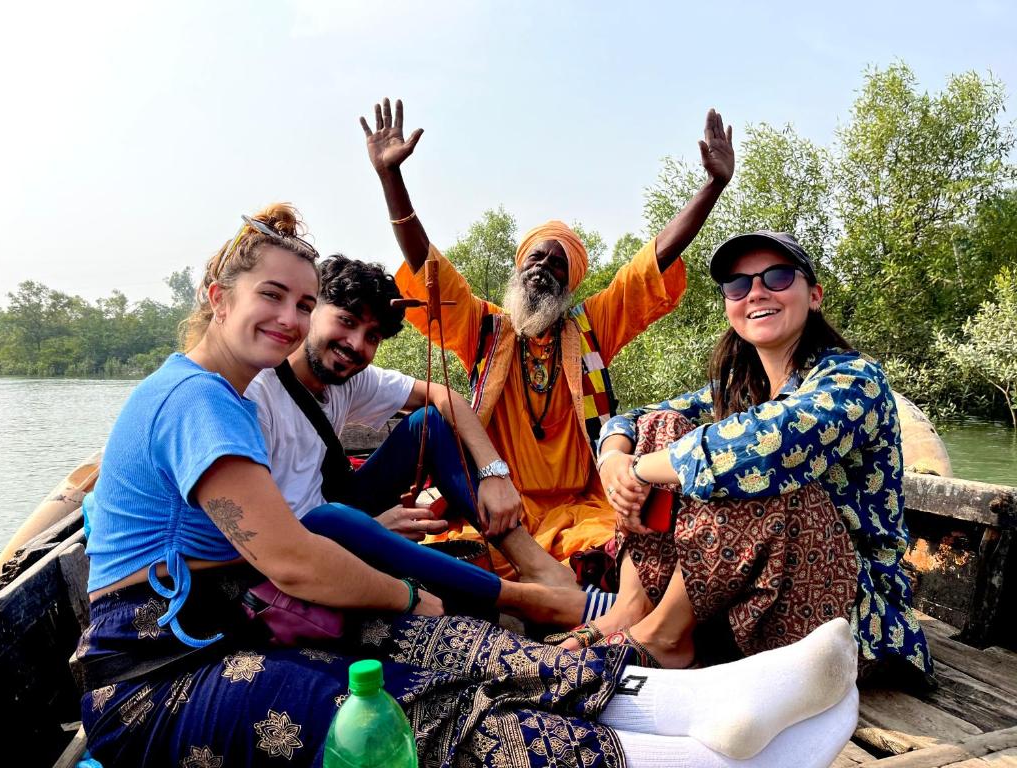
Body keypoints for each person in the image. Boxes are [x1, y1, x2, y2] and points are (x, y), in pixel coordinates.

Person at [77, 206, 861, 768]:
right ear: (218, 297)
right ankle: (710, 757)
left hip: (250, 620)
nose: (292, 320)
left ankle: (703, 704)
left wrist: (487, 484)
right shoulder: (197, 400)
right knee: (409, 706)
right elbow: (296, 559)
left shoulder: (237, 396)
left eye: (304, 303)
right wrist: (409, 594)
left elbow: (638, 279)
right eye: (274, 300)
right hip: (160, 675)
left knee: (457, 646)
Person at [361, 98, 735, 584]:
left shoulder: (592, 326)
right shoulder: (483, 328)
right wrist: (392, 178)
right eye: (536, 258)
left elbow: (651, 265)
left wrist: (712, 187)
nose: (543, 267)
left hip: (583, 505)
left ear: (571, 282)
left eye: (557, 264)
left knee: (615, 548)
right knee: (457, 553)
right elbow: (426, 267)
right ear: (519, 266)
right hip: (501, 502)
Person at [587, 231, 932, 682]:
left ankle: (665, 639)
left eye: (778, 276)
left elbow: (768, 445)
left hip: (849, 614)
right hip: (753, 594)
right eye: (738, 285)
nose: (756, 292)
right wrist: (614, 457)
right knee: (662, 428)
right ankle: (634, 607)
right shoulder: (737, 389)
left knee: (754, 463)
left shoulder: (854, 379)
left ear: (814, 296)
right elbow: (637, 418)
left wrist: (640, 470)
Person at [244, 255, 588, 602]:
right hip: (304, 539)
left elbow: (443, 397)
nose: (356, 344)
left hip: (336, 509)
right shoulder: (258, 395)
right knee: (335, 520)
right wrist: (374, 529)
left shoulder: (345, 377)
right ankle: (529, 600)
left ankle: (533, 564)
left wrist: (495, 473)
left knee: (430, 423)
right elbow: (277, 540)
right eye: (346, 321)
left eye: (372, 336)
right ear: (311, 309)